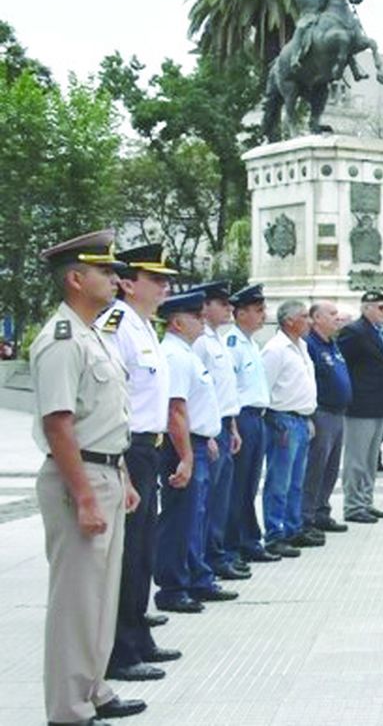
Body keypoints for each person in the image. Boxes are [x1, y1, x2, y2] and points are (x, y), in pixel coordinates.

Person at [32, 231, 148, 725]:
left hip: (104, 471)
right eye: (104, 271)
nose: (114, 279)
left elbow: (104, 416)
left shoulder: (93, 332)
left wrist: (120, 475)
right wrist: (83, 496)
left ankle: (94, 687)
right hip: (76, 478)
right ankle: (68, 709)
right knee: (76, 601)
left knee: (101, 594)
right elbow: (58, 425)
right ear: (76, 279)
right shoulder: (60, 340)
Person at [97, 244, 181, 683]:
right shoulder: (116, 327)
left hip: (151, 447)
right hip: (129, 448)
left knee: (143, 549)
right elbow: (113, 396)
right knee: (128, 553)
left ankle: (139, 634)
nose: (165, 286)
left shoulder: (145, 326)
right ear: (128, 284)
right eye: (155, 279)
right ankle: (120, 651)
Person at [155, 290, 238, 615]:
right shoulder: (175, 356)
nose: (202, 321)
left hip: (200, 441)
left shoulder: (186, 353)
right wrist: (187, 456)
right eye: (196, 317)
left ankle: (196, 577)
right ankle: (174, 587)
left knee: (196, 516)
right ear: (177, 322)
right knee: (180, 519)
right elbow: (175, 410)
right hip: (184, 446)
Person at [186, 281, 247, 582]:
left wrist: (232, 425)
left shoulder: (218, 339)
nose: (229, 309)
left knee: (221, 497)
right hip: (209, 428)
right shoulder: (200, 342)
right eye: (223, 304)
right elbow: (197, 393)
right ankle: (205, 560)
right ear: (205, 306)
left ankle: (215, 554)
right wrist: (208, 432)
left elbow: (223, 390)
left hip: (224, 424)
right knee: (206, 501)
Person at [223, 284, 277, 565]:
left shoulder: (251, 344)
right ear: (240, 313)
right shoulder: (232, 344)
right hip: (242, 418)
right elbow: (230, 389)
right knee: (237, 485)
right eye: (257, 311)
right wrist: (233, 426)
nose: (262, 315)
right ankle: (232, 545)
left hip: (257, 418)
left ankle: (249, 539)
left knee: (249, 484)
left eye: (263, 310)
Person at [260, 301, 316, 558]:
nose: (310, 321)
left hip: (301, 418)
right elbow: (265, 388)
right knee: (279, 481)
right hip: (282, 419)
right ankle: (275, 533)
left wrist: (308, 416)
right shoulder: (275, 349)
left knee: (296, 481)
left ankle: (294, 528)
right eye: (305, 317)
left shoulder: (301, 346)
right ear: (289, 321)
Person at [337, 290, 383, 524]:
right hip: (360, 405)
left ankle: (366, 500)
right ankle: (353, 505)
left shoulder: (380, 333)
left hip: (378, 404)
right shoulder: (354, 332)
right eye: (380, 307)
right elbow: (343, 365)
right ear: (366, 308)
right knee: (357, 459)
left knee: (371, 459)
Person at [301, 301, 349, 538]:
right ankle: (306, 516)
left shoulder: (333, 344)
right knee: (315, 467)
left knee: (330, 467)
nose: (336, 318)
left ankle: (322, 511)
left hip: (338, 413)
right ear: (316, 318)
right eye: (331, 314)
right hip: (321, 412)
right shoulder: (311, 345)